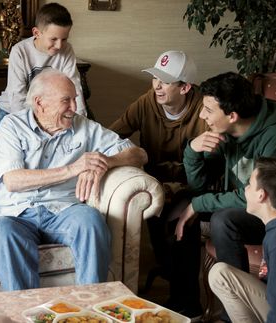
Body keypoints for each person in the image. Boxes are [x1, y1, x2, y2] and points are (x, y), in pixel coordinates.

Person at [0, 68, 148, 291]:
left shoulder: (85, 127)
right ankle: (25, 310)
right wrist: (74, 168)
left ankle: (91, 305)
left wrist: (104, 161)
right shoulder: (12, 126)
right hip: (17, 215)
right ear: (39, 103)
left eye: (75, 99)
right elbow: (13, 181)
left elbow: (139, 154)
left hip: (64, 211)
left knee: (91, 220)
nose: (74, 108)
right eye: (66, 101)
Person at [175, 72, 276, 318]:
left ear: (231, 116)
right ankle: (188, 306)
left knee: (223, 220)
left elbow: (263, 196)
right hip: (255, 208)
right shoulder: (225, 135)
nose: (202, 115)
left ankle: (234, 309)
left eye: (208, 110)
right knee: (179, 214)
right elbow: (199, 187)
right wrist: (192, 151)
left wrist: (199, 204)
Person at [109, 50, 206, 315]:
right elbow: (112, 136)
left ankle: (189, 306)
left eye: (165, 81)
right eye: (154, 78)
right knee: (159, 226)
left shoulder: (205, 111)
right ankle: (173, 295)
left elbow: (212, 168)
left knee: (181, 225)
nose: (157, 86)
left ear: (185, 87)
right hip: (155, 186)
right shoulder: (146, 102)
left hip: (195, 185)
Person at [209, 157, 276, 323]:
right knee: (221, 272)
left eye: (250, 185)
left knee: (219, 275)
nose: (245, 189)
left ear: (261, 195)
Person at [0, 2, 87, 128]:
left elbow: (75, 86)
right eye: (53, 39)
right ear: (37, 33)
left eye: (64, 39)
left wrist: (82, 121)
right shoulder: (20, 51)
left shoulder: (67, 50)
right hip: (12, 112)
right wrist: (30, 127)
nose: (59, 46)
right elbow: (17, 95)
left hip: (48, 113)